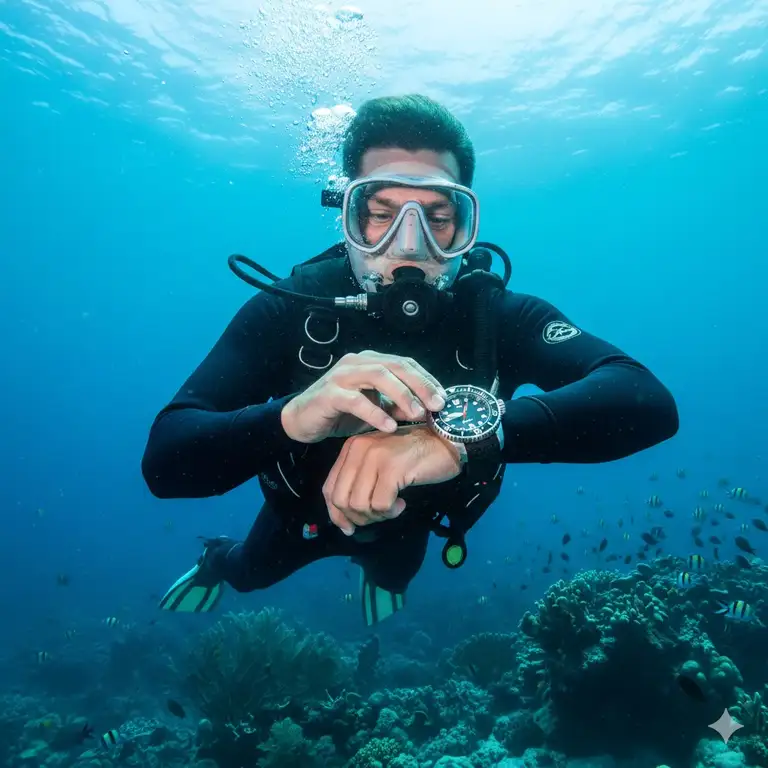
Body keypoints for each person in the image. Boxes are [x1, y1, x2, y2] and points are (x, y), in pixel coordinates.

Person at [141, 94, 679, 625]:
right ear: (349, 217)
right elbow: (165, 459)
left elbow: (646, 400)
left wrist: (466, 437)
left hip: (410, 522)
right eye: (381, 215)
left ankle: (379, 578)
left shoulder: (496, 316)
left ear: (464, 227)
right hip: (298, 517)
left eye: (438, 218)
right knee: (248, 574)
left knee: (393, 577)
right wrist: (291, 418)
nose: (410, 246)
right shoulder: (291, 310)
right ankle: (215, 560)